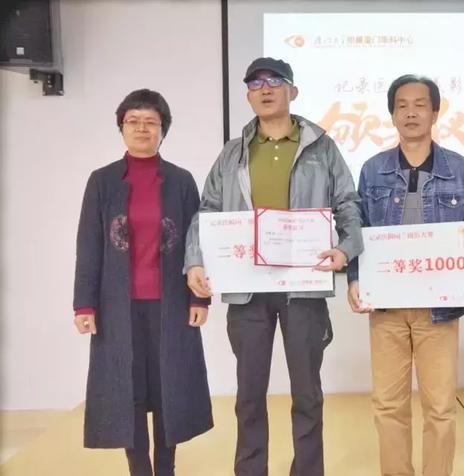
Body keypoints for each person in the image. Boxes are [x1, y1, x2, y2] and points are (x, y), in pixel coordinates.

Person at [184, 57, 362, 476]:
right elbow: (208, 210)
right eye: (255, 84)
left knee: (307, 394)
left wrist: (346, 248)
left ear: (292, 91)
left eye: (274, 81)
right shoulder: (232, 153)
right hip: (247, 288)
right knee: (248, 395)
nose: (264, 89)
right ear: (248, 95)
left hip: (303, 287)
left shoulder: (321, 146)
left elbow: (348, 204)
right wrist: (195, 260)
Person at [346, 74, 464, 476]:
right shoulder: (373, 170)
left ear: (435, 113)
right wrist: (355, 278)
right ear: (392, 115)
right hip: (387, 308)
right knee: (388, 406)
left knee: (440, 408)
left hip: (438, 310)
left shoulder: (460, 170)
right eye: (402, 105)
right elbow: (357, 231)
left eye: (420, 104)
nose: (411, 112)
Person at [73, 89, 213, 476]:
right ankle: (139, 468)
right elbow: (89, 245)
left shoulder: (181, 181)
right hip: (117, 307)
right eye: (133, 121)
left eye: (151, 122)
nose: (141, 128)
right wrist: (84, 303)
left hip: (171, 305)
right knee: (126, 390)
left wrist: (199, 299)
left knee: (170, 390)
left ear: (163, 130)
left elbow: (197, 242)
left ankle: (166, 467)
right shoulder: (102, 181)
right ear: (121, 127)